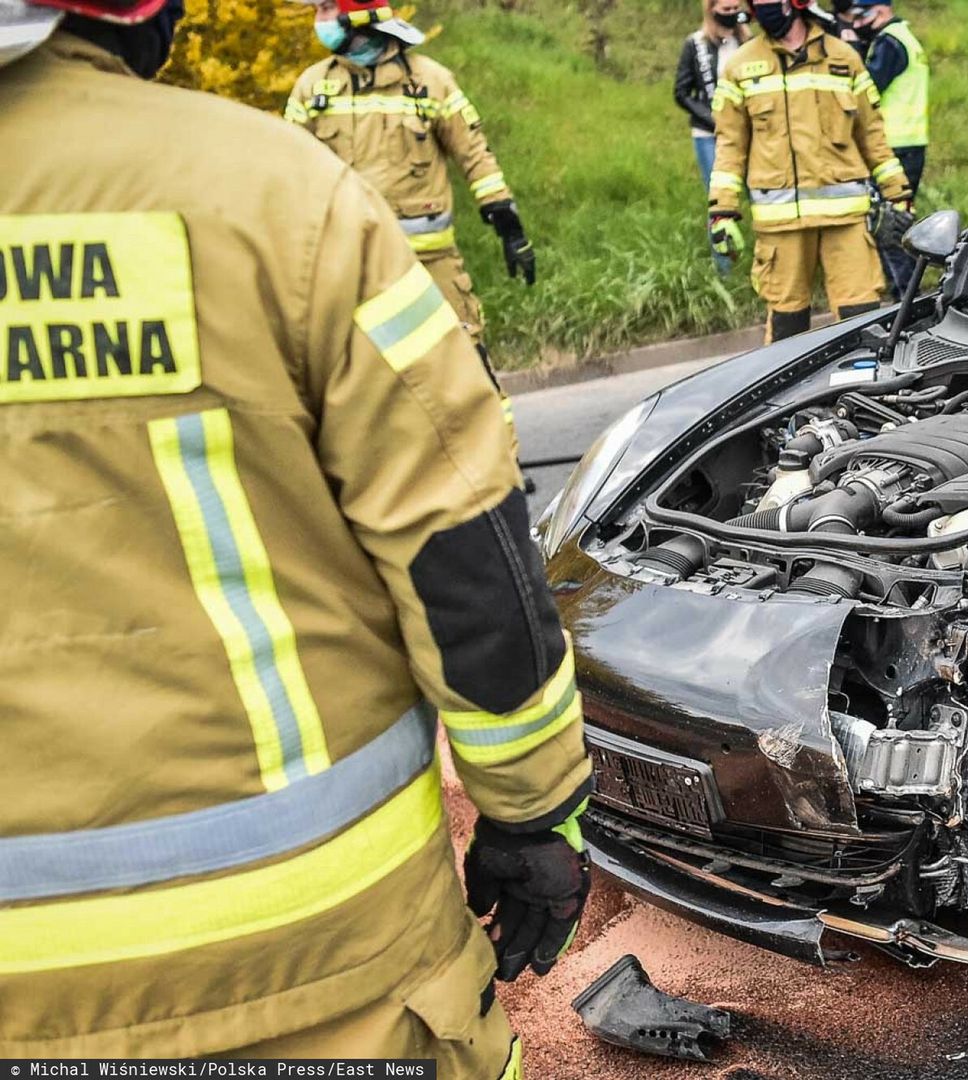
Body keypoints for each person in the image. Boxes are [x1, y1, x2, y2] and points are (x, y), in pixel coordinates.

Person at [0, 1, 590, 1068]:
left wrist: (497, 211)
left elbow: (470, 148)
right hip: (314, 965)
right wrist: (531, 812)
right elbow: (457, 539)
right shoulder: (269, 191)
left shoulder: (389, 105)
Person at [285, 0, 535, 352]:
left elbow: (474, 154)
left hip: (430, 267)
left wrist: (508, 222)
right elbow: (288, 176)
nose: (319, 22)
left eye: (326, 9)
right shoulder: (312, 89)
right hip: (349, 268)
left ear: (358, 13)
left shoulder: (429, 82)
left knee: (463, 365)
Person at [709, 0, 914, 342]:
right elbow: (729, 146)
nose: (762, 8)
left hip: (846, 221)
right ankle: (789, 397)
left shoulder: (843, 58)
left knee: (862, 319)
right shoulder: (741, 66)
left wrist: (899, 194)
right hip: (781, 226)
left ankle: (861, 394)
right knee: (787, 327)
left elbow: (873, 135)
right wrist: (722, 211)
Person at [846, 0, 929, 297]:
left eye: (860, 17)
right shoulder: (906, 37)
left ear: (879, 11)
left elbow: (865, 88)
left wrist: (853, 52)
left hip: (893, 148)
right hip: (909, 144)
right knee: (897, 224)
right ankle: (904, 295)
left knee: (889, 227)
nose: (856, 25)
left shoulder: (890, 43)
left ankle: (906, 301)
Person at [675, 0, 752, 275]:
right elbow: (681, 91)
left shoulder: (748, 42)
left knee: (757, 192)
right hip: (709, 133)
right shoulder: (695, 44)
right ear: (711, 10)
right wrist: (714, 119)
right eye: (725, 10)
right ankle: (726, 269)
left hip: (749, 131)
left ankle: (766, 258)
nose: (731, 15)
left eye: (735, 9)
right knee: (718, 200)